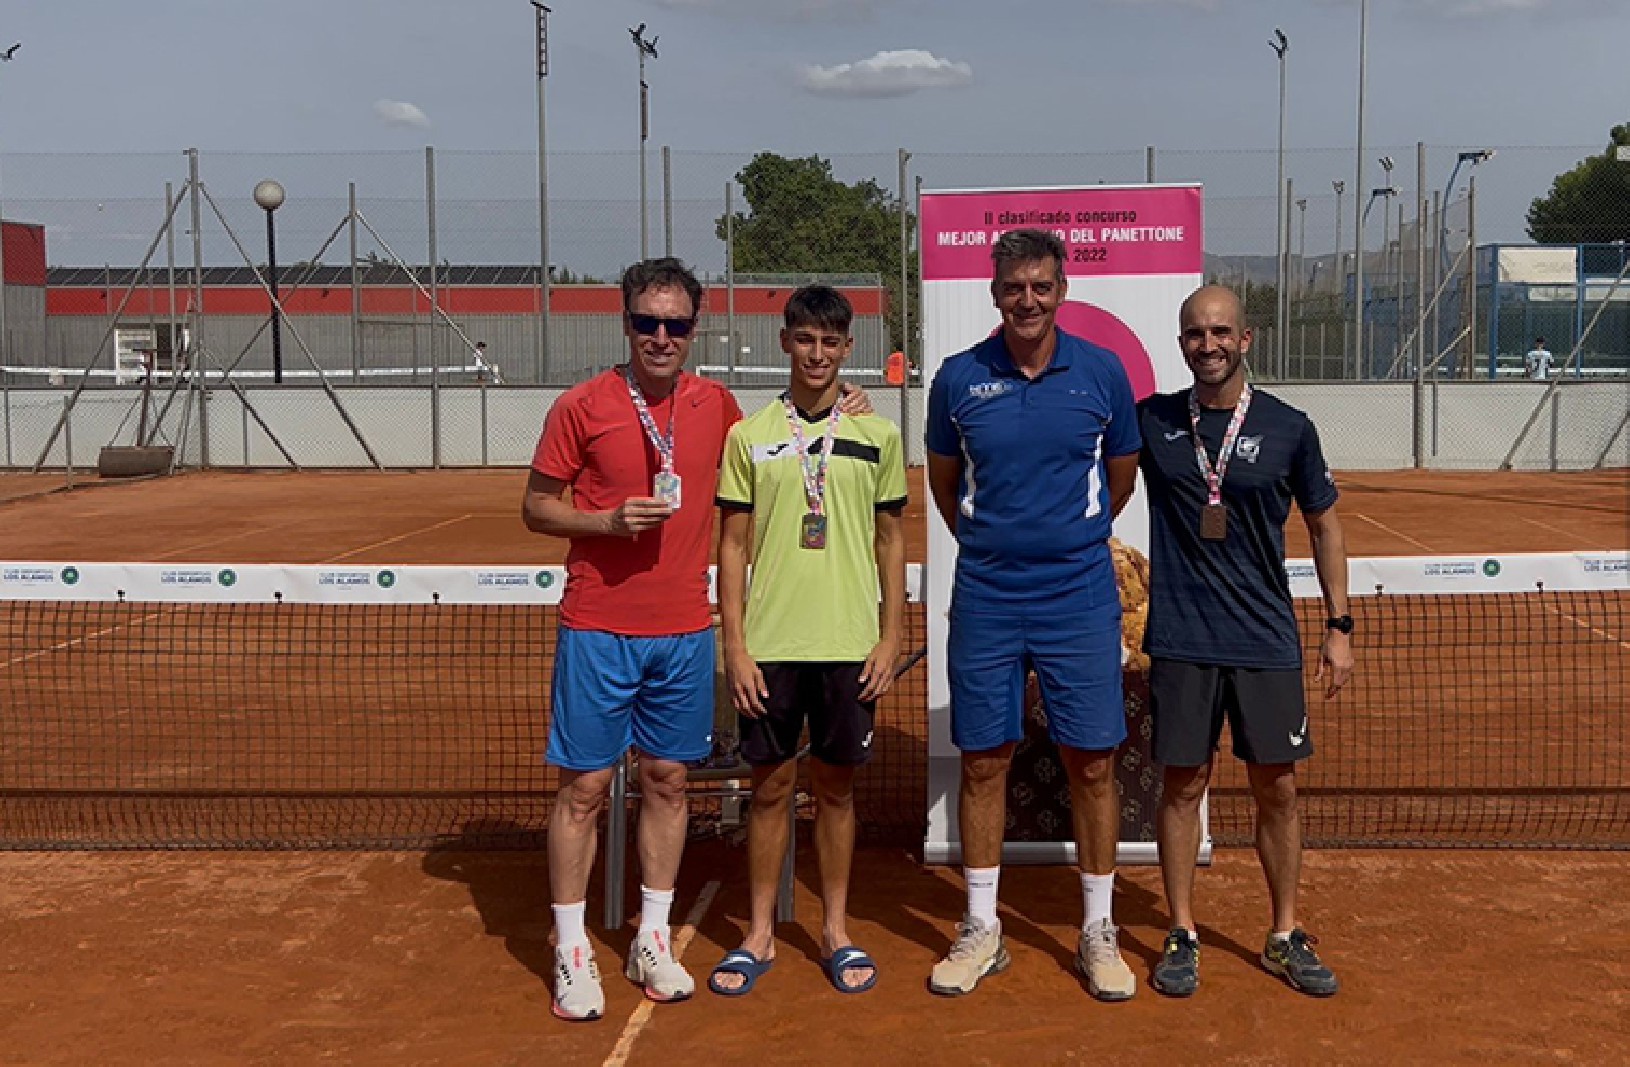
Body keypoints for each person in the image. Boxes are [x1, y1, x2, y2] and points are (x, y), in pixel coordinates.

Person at [523, 258, 872, 1023]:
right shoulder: (581, 405)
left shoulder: (718, 406)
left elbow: (797, 429)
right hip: (597, 626)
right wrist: (605, 523)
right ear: (625, 324)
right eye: (647, 321)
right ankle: (572, 945)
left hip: (684, 631)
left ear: (693, 329)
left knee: (669, 782)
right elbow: (538, 507)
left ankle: (653, 935)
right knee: (583, 789)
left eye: (675, 323)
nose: (660, 335)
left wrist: (847, 398)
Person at [923, 228, 1141, 1002]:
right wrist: (994, 546)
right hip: (986, 592)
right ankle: (983, 927)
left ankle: (1097, 929)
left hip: (1078, 594)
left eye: (1041, 286)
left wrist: (1068, 542)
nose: (1027, 299)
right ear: (994, 291)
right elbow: (946, 485)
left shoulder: (1103, 374)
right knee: (984, 760)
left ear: (1061, 291)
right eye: (1014, 286)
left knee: (1093, 760)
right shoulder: (956, 379)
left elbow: (1120, 478)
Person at [1137, 284, 1353, 1000]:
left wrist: (1339, 626)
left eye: (1221, 331)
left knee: (1279, 788)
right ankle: (1181, 930)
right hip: (1182, 639)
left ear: (1246, 338)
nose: (1209, 344)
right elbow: (1070, 433)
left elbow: (1325, 525)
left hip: (1266, 639)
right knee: (1181, 785)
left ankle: (1284, 931)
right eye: (1196, 333)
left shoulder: (1290, 427)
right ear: (1182, 344)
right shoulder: (1154, 421)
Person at [709, 285, 908, 998]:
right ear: (785, 341)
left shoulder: (877, 435)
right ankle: (759, 932)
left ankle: (835, 929)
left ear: (846, 348)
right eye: (805, 338)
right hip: (769, 645)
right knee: (768, 788)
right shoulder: (749, 435)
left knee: (836, 790)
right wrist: (734, 645)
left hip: (850, 642)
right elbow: (732, 547)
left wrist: (890, 634)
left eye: (831, 341)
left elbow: (891, 541)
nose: (817, 353)